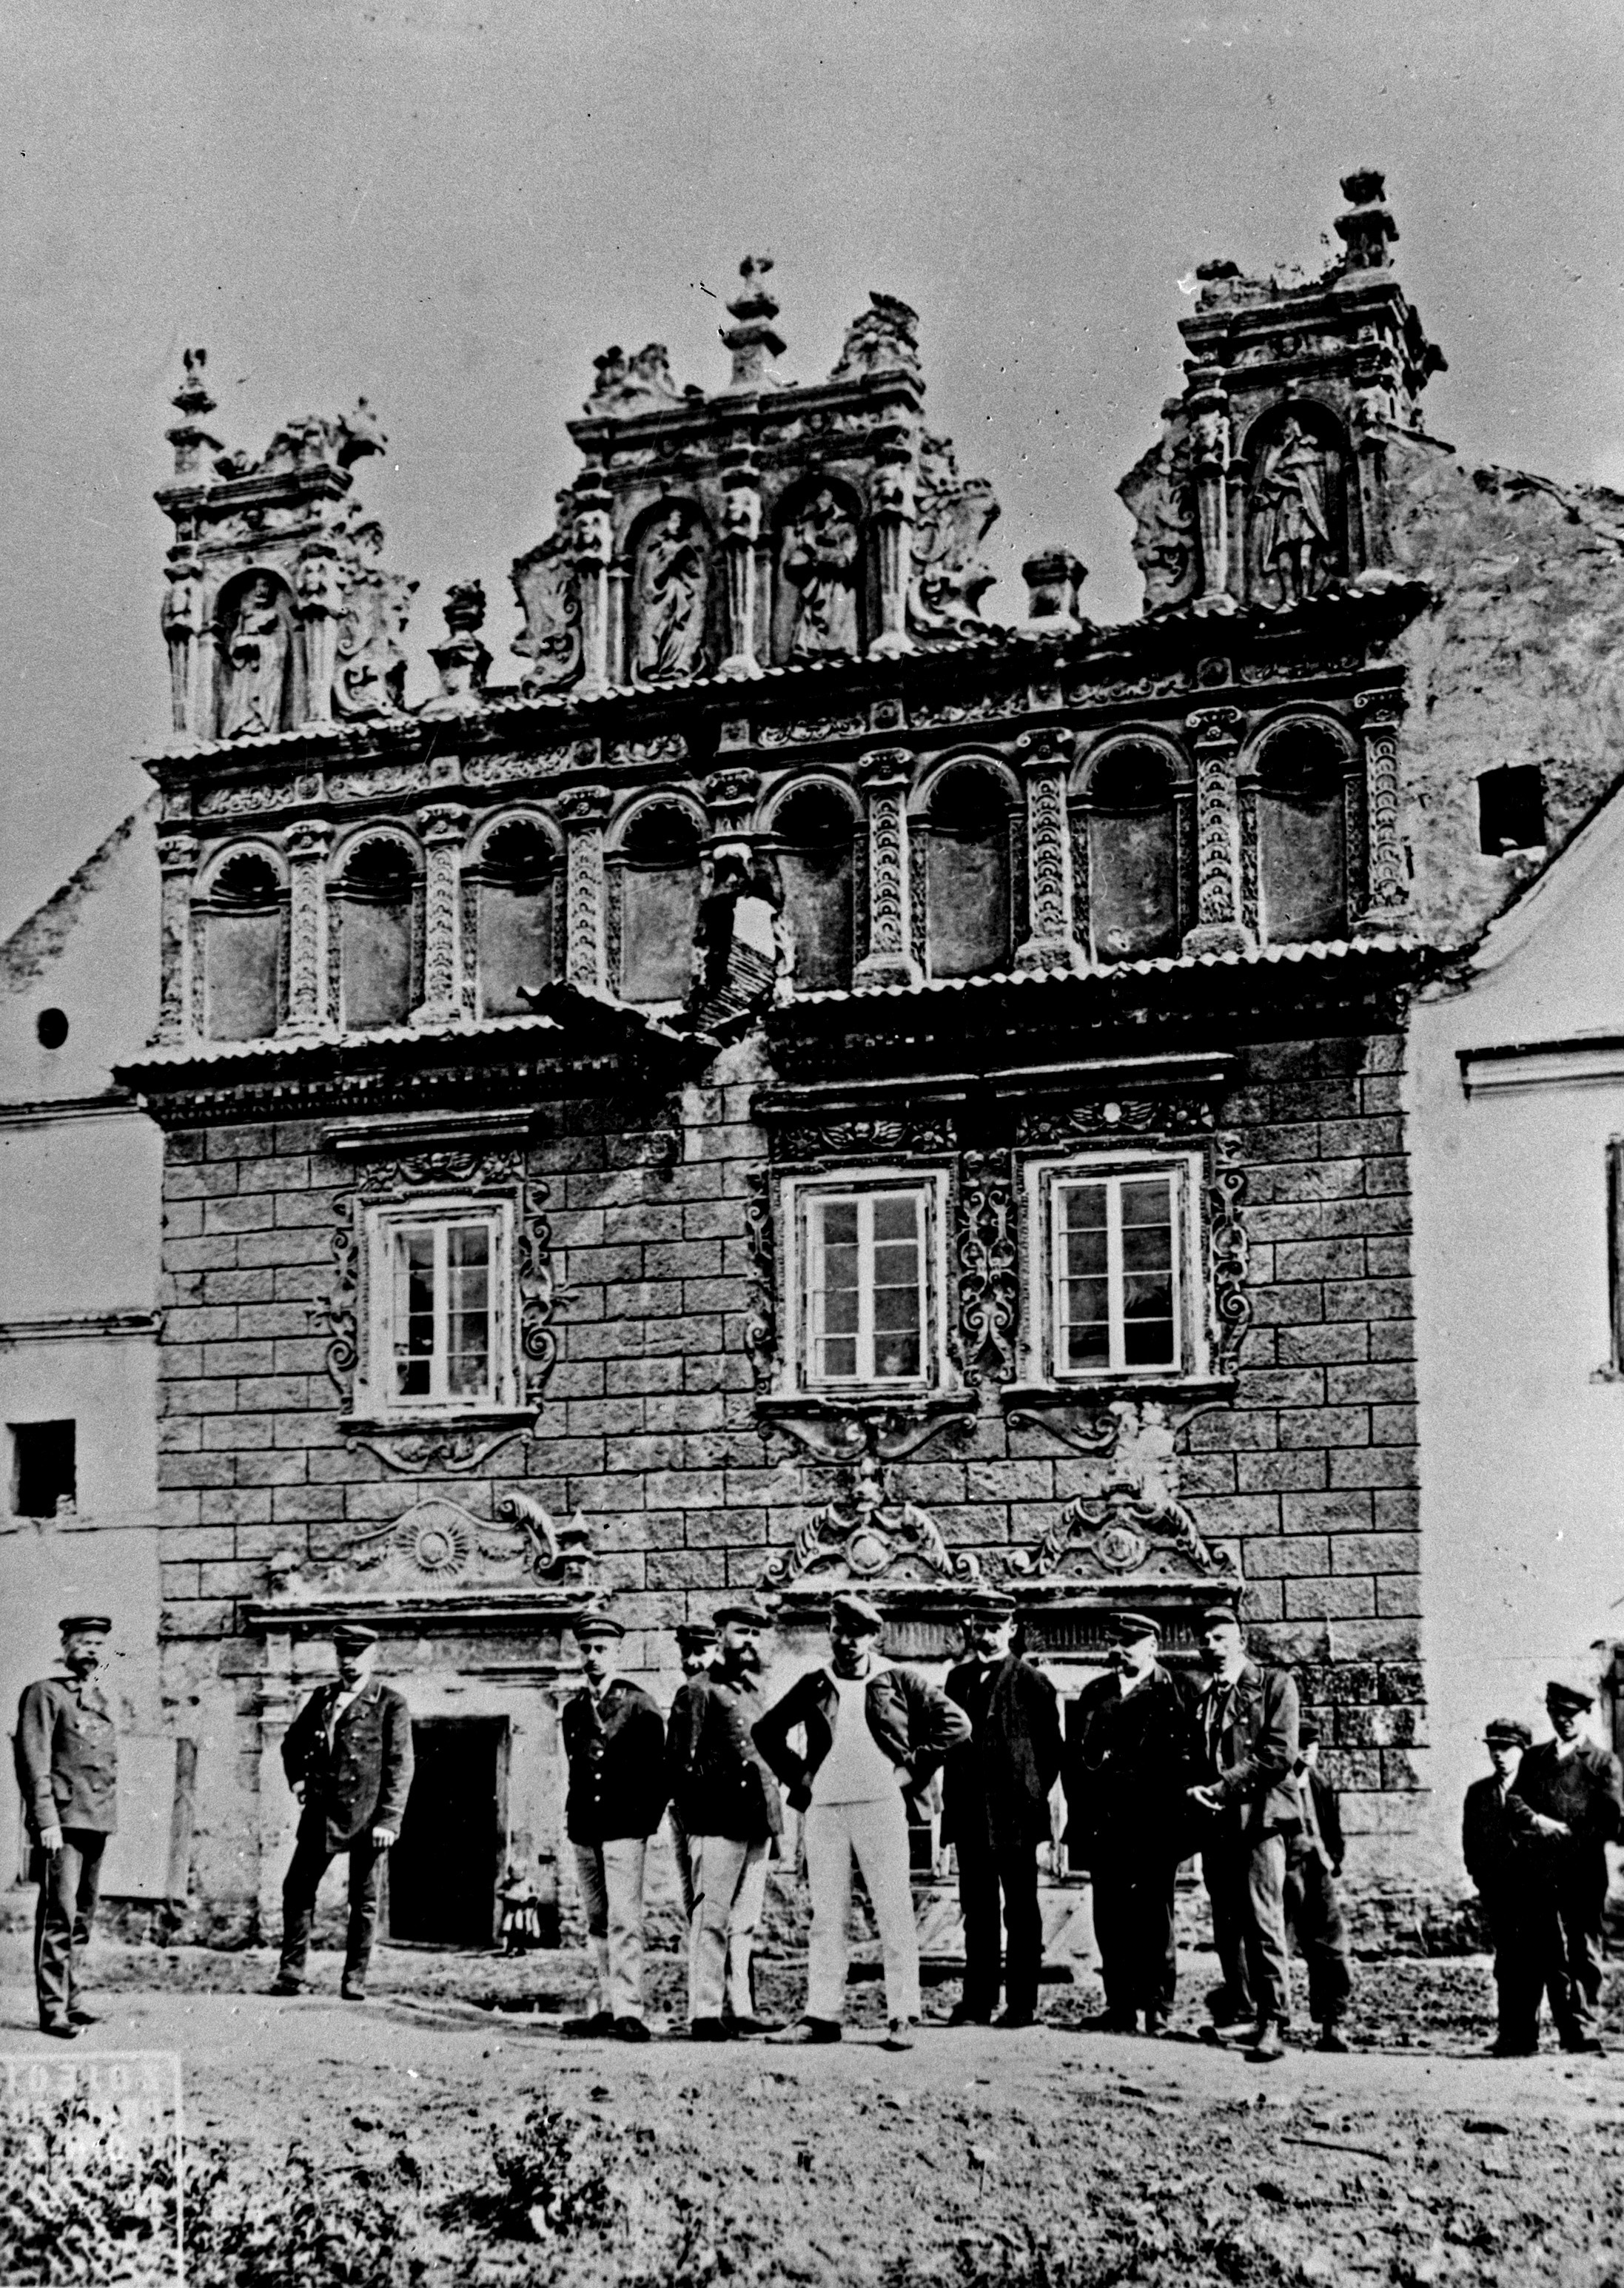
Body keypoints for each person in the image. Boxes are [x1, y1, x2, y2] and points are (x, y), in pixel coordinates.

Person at [756, 1590, 969, 2050]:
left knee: (893, 1910)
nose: (846, 1642)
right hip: (826, 1811)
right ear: (829, 1631)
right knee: (827, 1915)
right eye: (839, 1632)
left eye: (857, 1634)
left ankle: (902, 2015)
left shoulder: (899, 1680)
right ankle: (822, 2016)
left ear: (873, 1637)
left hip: (880, 1807)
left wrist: (911, 1769)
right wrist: (802, 1777)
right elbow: (766, 1732)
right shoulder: (815, 1683)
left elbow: (957, 1725)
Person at [1064, 1610, 1196, 2036]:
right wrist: (1083, 1813)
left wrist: (1178, 1820)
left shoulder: (1178, 1690)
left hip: (1155, 1827)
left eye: (1130, 1643)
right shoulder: (1095, 1693)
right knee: (1110, 1918)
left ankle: (1158, 2008)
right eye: (1115, 1643)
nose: (1119, 1651)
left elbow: (1191, 1762)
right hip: (1105, 1827)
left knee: (1155, 1918)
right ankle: (1120, 2006)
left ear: (1152, 1646)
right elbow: (1074, 1761)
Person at [941, 1589, 1062, 2028]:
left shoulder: (1032, 1681)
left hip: (1015, 1818)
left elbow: (1051, 1753)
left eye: (995, 1627)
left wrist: (1025, 1794)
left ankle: (1022, 2004)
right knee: (978, 1910)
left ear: (1011, 1629)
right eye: (980, 1627)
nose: (987, 1636)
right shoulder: (957, 1680)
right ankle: (977, 2001)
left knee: (1021, 1911)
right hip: (971, 1815)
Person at [272, 1623, 414, 2002]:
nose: (349, 1662)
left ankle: (354, 1980)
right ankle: (290, 1974)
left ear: (372, 1657)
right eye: (343, 1654)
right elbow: (291, 1743)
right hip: (320, 1813)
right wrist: (298, 1781)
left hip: (367, 1817)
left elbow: (400, 1765)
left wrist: (389, 1819)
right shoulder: (322, 1697)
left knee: (363, 1902)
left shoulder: (390, 1703)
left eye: (357, 1655)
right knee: (297, 1889)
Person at [1188, 1605, 1301, 2063]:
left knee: (1263, 1920)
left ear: (1241, 1640)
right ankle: (1246, 2010)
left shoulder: (1274, 1686)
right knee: (1227, 1925)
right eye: (1205, 1640)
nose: (1211, 1646)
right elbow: (1198, 1759)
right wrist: (1195, 1791)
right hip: (1217, 1826)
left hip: (1258, 1822)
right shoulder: (1204, 1699)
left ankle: (1273, 2020)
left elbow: (1278, 1755)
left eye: (1221, 1637)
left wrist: (1221, 1787)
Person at [666, 1598, 783, 2040]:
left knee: (744, 1921)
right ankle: (705, 2011)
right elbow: (682, 1764)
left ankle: (742, 2009)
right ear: (720, 1636)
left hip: (757, 1819)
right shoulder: (698, 1691)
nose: (748, 1641)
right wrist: (701, 1815)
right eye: (740, 1632)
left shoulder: (754, 1691)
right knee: (710, 1918)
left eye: (755, 1634)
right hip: (716, 1822)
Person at [560, 1611, 667, 2040]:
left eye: (601, 1649)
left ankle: (628, 2009)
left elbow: (657, 1774)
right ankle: (606, 2006)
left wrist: (642, 1823)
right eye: (586, 1649)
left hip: (624, 1827)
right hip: (585, 1827)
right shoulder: (573, 1710)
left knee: (624, 1919)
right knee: (596, 1919)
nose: (592, 1656)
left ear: (617, 1653)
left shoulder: (639, 1705)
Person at [14, 1615, 119, 2039]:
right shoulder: (45, 1694)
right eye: (84, 1642)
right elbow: (33, 1762)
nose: (92, 1650)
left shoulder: (98, 1699)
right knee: (59, 1913)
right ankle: (53, 2009)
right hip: (62, 1823)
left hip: (95, 1821)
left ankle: (73, 2002)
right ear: (66, 1645)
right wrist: (46, 1822)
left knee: (82, 1917)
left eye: (99, 1644)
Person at [1510, 1680, 1624, 2053]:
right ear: (1549, 1714)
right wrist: (1539, 1822)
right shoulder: (1535, 1759)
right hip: (1540, 1871)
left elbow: (1610, 1818)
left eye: (1571, 1714)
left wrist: (1567, 1834)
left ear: (1585, 1715)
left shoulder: (1602, 1762)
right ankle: (1560, 2028)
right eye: (1557, 1713)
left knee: (1584, 1949)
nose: (1565, 1721)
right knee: (1546, 1950)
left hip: (1583, 1870)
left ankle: (1584, 2027)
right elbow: (1514, 1801)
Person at [1463, 1716, 1577, 2056]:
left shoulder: (1542, 1789)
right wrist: (1485, 1884)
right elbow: (1472, 1848)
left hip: (1540, 1894)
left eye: (1507, 1748)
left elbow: (1562, 1842)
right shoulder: (1479, 1793)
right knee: (1508, 1964)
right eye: (1494, 1748)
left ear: (1524, 1751)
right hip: (1501, 1896)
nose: (1499, 1755)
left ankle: (1573, 2034)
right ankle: (1514, 2036)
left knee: (1553, 1963)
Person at [1282, 1720, 1354, 2053]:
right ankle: (1268, 2021)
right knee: (1275, 1945)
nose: (1309, 1750)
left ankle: (1331, 2024)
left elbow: (1333, 1830)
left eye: (1314, 1744)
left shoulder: (1320, 1784)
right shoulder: (1278, 1784)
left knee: (1331, 1947)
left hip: (1318, 1872)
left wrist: (1333, 1861)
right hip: (1285, 1873)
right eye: (1302, 1744)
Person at [668, 1620, 719, 1923]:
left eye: (700, 1652)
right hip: (683, 1809)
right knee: (695, 1900)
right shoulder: (687, 1692)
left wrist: (693, 1782)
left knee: (705, 1902)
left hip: (706, 1811)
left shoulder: (709, 1692)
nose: (691, 1661)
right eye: (685, 1652)